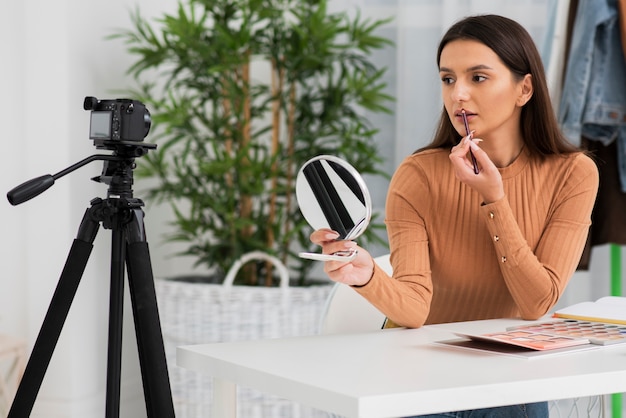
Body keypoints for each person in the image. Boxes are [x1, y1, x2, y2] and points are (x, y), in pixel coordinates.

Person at [310, 14, 599, 418]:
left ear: (525, 88)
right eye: (448, 79)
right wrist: (366, 275)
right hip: (418, 377)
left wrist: (494, 201)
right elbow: (414, 310)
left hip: (510, 379)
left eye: (478, 77)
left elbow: (536, 302)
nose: (458, 94)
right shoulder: (419, 175)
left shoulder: (573, 173)